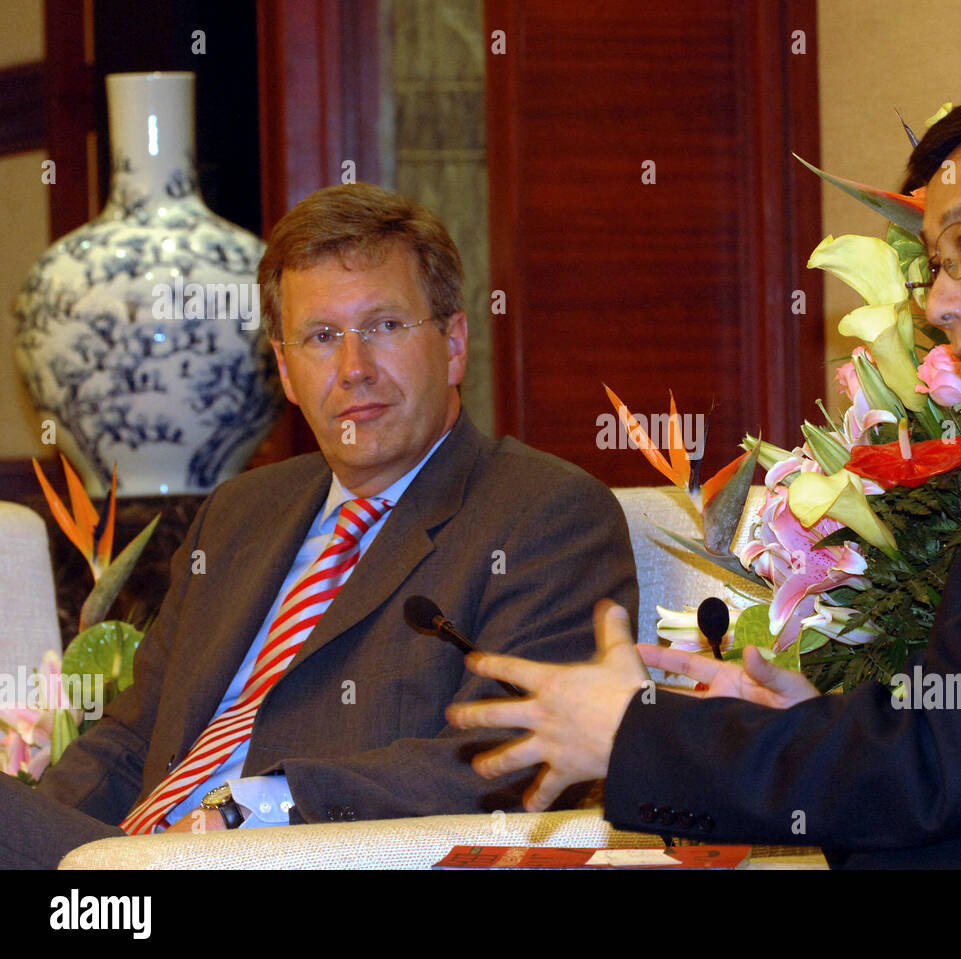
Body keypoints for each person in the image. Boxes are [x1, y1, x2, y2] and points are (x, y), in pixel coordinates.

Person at [447, 85, 961, 868]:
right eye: (935, 261)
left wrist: (638, 732)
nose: (938, 303)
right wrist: (795, 726)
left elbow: (944, 762)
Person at [0, 183, 637, 868]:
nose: (353, 369)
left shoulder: (543, 514)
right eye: (322, 337)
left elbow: (509, 757)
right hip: (132, 872)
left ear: (454, 343)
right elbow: (131, 737)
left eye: (385, 326)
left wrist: (254, 809)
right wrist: (43, 839)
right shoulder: (240, 513)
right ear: (286, 370)